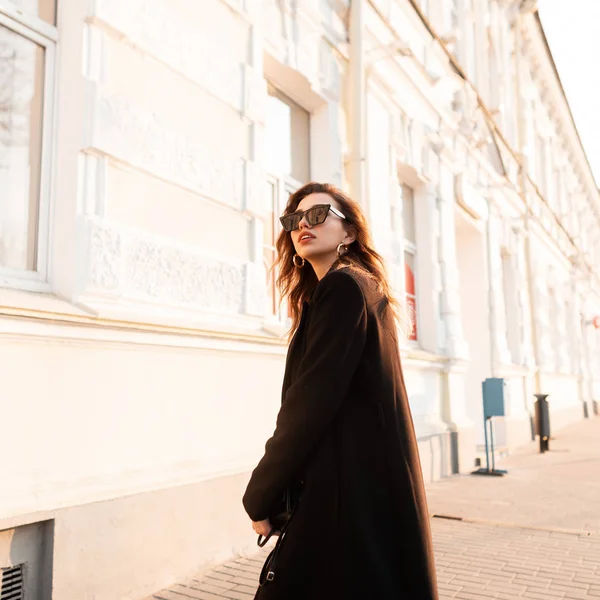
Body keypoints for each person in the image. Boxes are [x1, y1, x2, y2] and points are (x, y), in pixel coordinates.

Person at [242, 182, 439, 600]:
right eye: (294, 219)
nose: (302, 225)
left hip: (345, 495)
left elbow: (309, 402)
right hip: (356, 493)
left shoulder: (344, 287)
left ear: (348, 234)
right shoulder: (350, 288)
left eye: (318, 215)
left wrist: (261, 493)